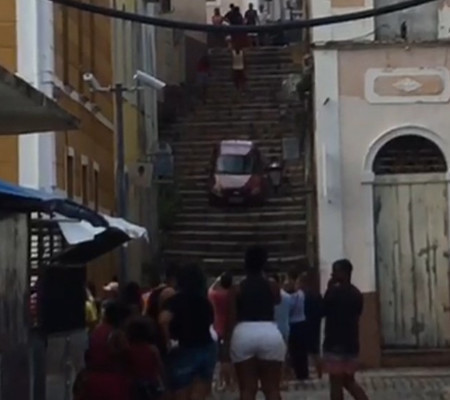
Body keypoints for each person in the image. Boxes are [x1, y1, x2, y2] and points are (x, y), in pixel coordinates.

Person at [226, 246, 285, 400]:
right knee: (272, 388)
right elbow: (278, 300)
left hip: (243, 332)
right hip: (269, 332)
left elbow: (231, 318)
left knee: (247, 388)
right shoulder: (272, 286)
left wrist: (225, 347)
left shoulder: (237, 289)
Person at [159, 264, 217, 400]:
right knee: (199, 394)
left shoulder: (175, 300)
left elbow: (163, 320)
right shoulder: (205, 302)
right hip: (207, 347)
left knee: (181, 393)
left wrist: (168, 341)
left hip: (185, 348)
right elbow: (211, 320)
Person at [323, 259, 368, 400]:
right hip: (351, 343)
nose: (332, 275)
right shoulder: (356, 293)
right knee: (349, 381)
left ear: (343, 272)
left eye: (335, 271)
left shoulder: (333, 292)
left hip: (334, 343)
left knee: (336, 383)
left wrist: (329, 289)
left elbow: (323, 310)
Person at [84, 301, 130, 400]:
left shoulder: (95, 331)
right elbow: (125, 354)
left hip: (93, 379)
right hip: (113, 379)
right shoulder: (117, 334)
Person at [126, 316, 165, 400]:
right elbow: (160, 366)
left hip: (135, 384)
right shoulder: (152, 349)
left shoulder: (128, 350)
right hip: (151, 382)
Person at [208, 272, 235, 391]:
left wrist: (216, 281)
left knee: (221, 358)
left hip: (218, 327)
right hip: (230, 327)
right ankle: (230, 381)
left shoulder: (216, 295)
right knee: (228, 357)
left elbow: (210, 291)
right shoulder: (231, 295)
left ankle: (223, 381)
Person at [146, 263, 179, 357]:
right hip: (161, 337)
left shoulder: (155, 291)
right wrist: (168, 341)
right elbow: (164, 320)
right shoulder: (169, 292)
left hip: (153, 333)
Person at [300, 270, 324, 379]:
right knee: (315, 351)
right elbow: (322, 311)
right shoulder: (316, 295)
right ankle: (319, 373)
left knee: (306, 350)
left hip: (305, 324)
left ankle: (307, 372)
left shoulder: (304, 296)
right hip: (315, 324)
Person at [287, 269, 309, 381]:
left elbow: (289, 308)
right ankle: (303, 372)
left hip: (294, 323)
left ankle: (297, 372)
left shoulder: (293, 296)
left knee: (294, 350)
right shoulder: (301, 294)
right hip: (302, 322)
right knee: (301, 350)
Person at [271, 273, 291, 388]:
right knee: (283, 357)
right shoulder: (287, 297)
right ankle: (282, 380)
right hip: (284, 327)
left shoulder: (269, 297)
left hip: (273, 328)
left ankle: (274, 380)